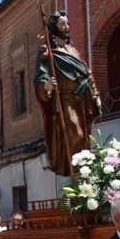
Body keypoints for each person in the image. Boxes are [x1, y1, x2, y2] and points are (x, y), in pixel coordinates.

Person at [34, 10, 101, 177]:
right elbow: (40, 74)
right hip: (65, 98)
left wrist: (96, 94)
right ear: (54, 27)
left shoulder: (73, 51)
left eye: (67, 23)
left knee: (85, 137)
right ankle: (75, 174)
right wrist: (46, 86)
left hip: (83, 98)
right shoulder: (47, 50)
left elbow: (88, 73)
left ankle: (83, 174)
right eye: (62, 23)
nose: (66, 27)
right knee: (74, 133)